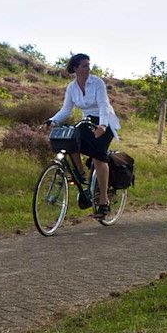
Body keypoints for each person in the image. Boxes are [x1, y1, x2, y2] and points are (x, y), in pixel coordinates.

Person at [44, 53, 121, 218]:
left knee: (99, 157)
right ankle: (81, 175)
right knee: (70, 140)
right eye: (84, 65)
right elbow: (66, 109)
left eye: (88, 65)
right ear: (75, 68)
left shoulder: (97, 83)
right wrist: (52, 120)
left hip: (104, 119)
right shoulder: (71, 88)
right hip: (87, 121)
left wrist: (102, 125)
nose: (88, 68)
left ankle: (103, 201)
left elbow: (103, 105)